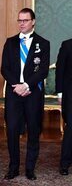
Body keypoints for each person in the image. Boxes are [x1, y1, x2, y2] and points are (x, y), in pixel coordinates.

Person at [1, 8, 50, 180]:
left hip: (33, 94)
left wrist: (27, 85)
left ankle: (30, 168)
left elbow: (43, 70)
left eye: (25, 20)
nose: (21, 23)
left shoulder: (43, 43)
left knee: (34, 130)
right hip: (14, 93)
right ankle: (13, 167)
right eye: (19, 20)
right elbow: (5, 68)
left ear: (33, 21)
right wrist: (17, 86)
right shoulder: (10, 42)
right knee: (12, 130)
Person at [56, 39, 72, 176]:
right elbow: (60, 70)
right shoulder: (67, 45)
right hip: (70, 95)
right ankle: (65, 163)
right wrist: (60, 93)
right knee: (71, 127)